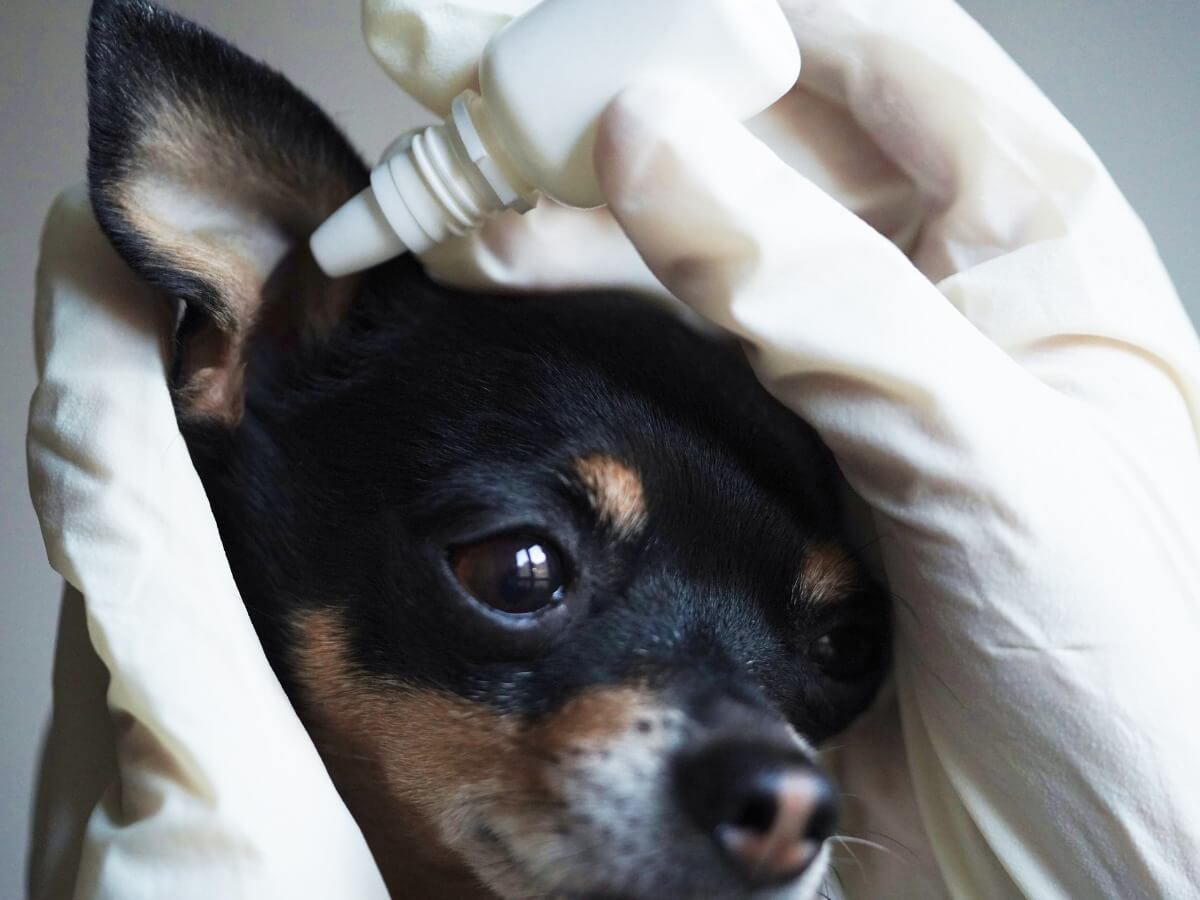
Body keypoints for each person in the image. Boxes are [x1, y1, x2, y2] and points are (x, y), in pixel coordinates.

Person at [28, 0, 1200, 897]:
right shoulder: (291, 334)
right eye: (522, 572)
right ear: (251, 358)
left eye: (834, 650)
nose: (782, 780)